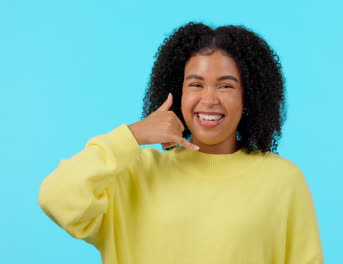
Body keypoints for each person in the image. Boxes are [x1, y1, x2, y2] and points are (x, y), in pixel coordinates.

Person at [38, 21, 324, 264]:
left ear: (247, 99)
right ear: (178, 93)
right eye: (196, 84)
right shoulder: (132, 174)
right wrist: (132, 135)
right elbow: (56, 197)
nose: (209, 99)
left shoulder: (283, 180)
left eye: (225, 85)